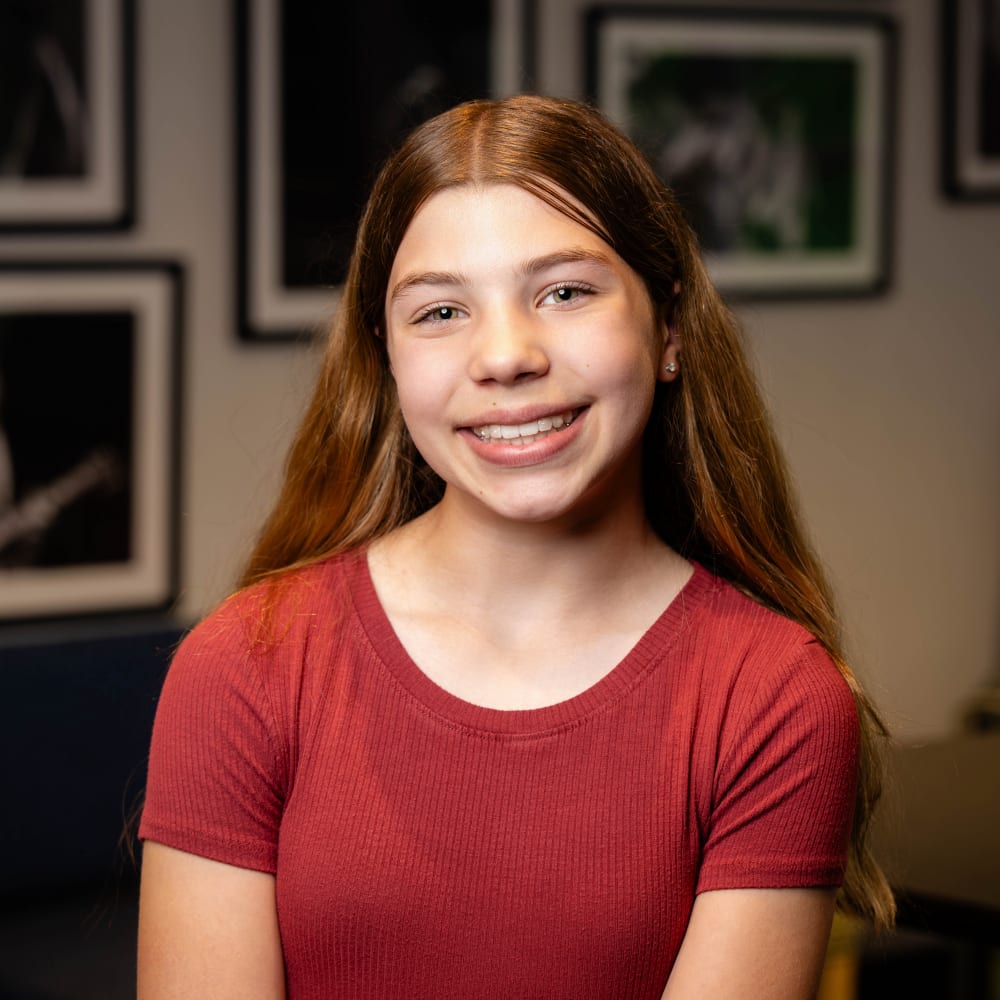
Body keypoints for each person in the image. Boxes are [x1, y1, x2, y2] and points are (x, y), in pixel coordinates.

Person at [137, 94, 894, 999]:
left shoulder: (771, 698)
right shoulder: (244, 665)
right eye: (441, 312)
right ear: (386, 362)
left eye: (565, 292)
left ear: (670, 329)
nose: (505, 356)